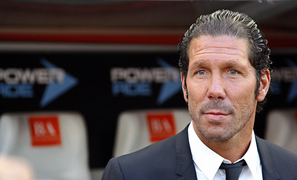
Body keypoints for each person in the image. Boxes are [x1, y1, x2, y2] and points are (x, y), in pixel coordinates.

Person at [102, 9, 297, 180]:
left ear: (262, 85)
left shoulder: (292, 171)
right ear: (184, 86)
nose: (215, 90)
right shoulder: (129, 174)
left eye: (233, 72)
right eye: (201, 72)